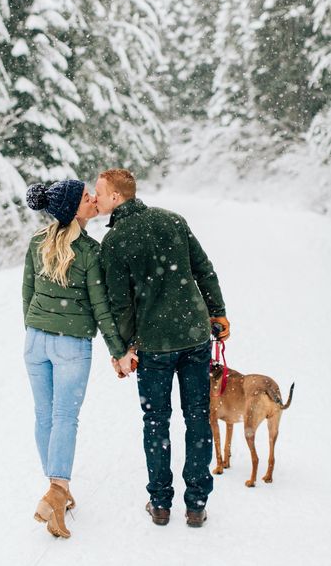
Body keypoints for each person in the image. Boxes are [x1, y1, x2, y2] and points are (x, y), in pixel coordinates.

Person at [95, 168, 230, 528]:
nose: (96, 198)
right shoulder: (173, 220)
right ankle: (197, 504)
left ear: (116, 197)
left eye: (100, 192)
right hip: (195, 336)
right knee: (197, 416)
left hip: (154, 346)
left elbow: (120, 304)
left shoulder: (115, 240)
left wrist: (121, 350)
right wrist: (218, 313)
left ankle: (160, 503)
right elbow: (204, 269)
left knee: (156, 421)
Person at [23, 179, 126, 539]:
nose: (93, 199)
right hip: (71, 345)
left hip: (35, 342)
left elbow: (28, 293)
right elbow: (102, 308)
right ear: (74, 209)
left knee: (44, 416)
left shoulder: (38, 241)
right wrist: (118, 350)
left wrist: (37, 328)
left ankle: (57, 492)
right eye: (86, 197)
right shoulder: (89, 252)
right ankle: (56, 492)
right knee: (64, 417)